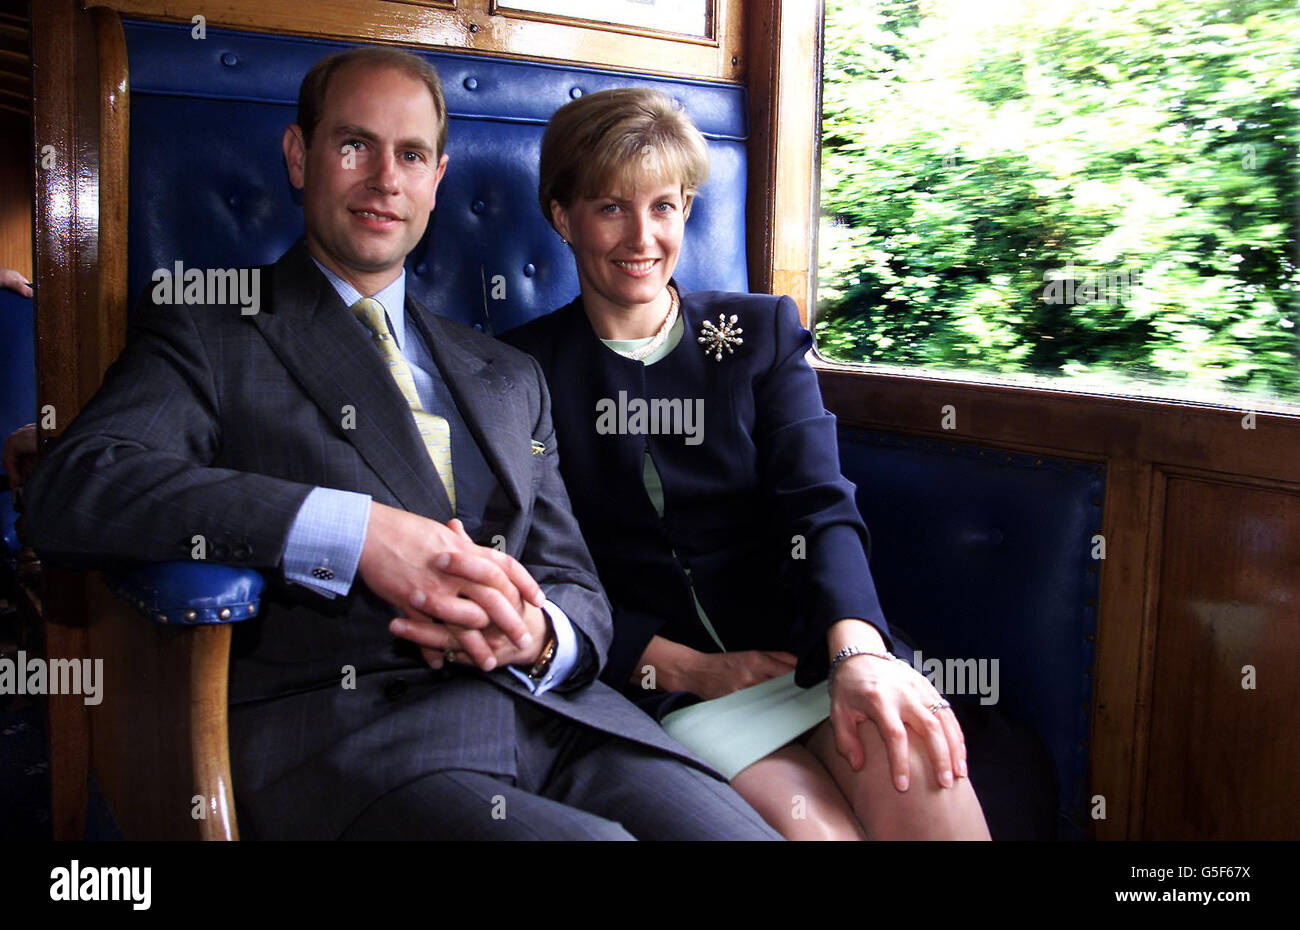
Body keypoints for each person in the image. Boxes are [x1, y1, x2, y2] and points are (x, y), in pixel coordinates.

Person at [22, 49, 780, 841]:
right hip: (353, 739)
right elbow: (75, 488)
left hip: (559, 714)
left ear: (435, 179)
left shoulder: (509, 373)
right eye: (355, 145)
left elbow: (576, 584)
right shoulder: (209, 327)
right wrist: (356, 532)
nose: (386, 178)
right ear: (298, 156)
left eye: (411, 155)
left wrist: (540, 633)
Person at [500, 88, 992, 840]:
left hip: (814, 652)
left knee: (920, 773)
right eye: (610, 207)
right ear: (562, 216)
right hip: (665, 685)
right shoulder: (519, 371)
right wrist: (690, 670)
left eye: (664, 206)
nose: (642, 237)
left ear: (688, 209)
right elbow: (542, 569)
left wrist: (858, 649)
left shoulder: (758, 332)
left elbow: (821, 504)